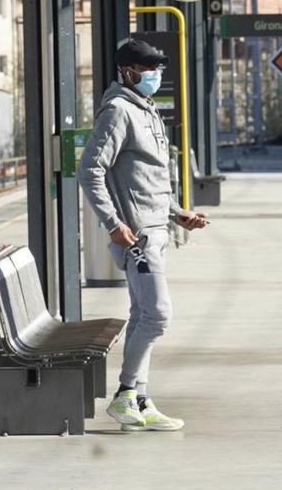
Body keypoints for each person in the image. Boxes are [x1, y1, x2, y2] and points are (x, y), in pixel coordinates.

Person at [78, 38, 209, 432]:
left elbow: (145, 178)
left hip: (156, 229)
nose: (155, 76)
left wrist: (177, 213)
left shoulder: (146, 110)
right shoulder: (118, 112)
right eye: (149, 69)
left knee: (142, 315)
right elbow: (91, 171)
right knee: (157, 315)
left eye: (158, 70)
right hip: (137, 238)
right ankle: (124, 396)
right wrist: (113, 223)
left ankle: (139, 399)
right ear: (128, 71)